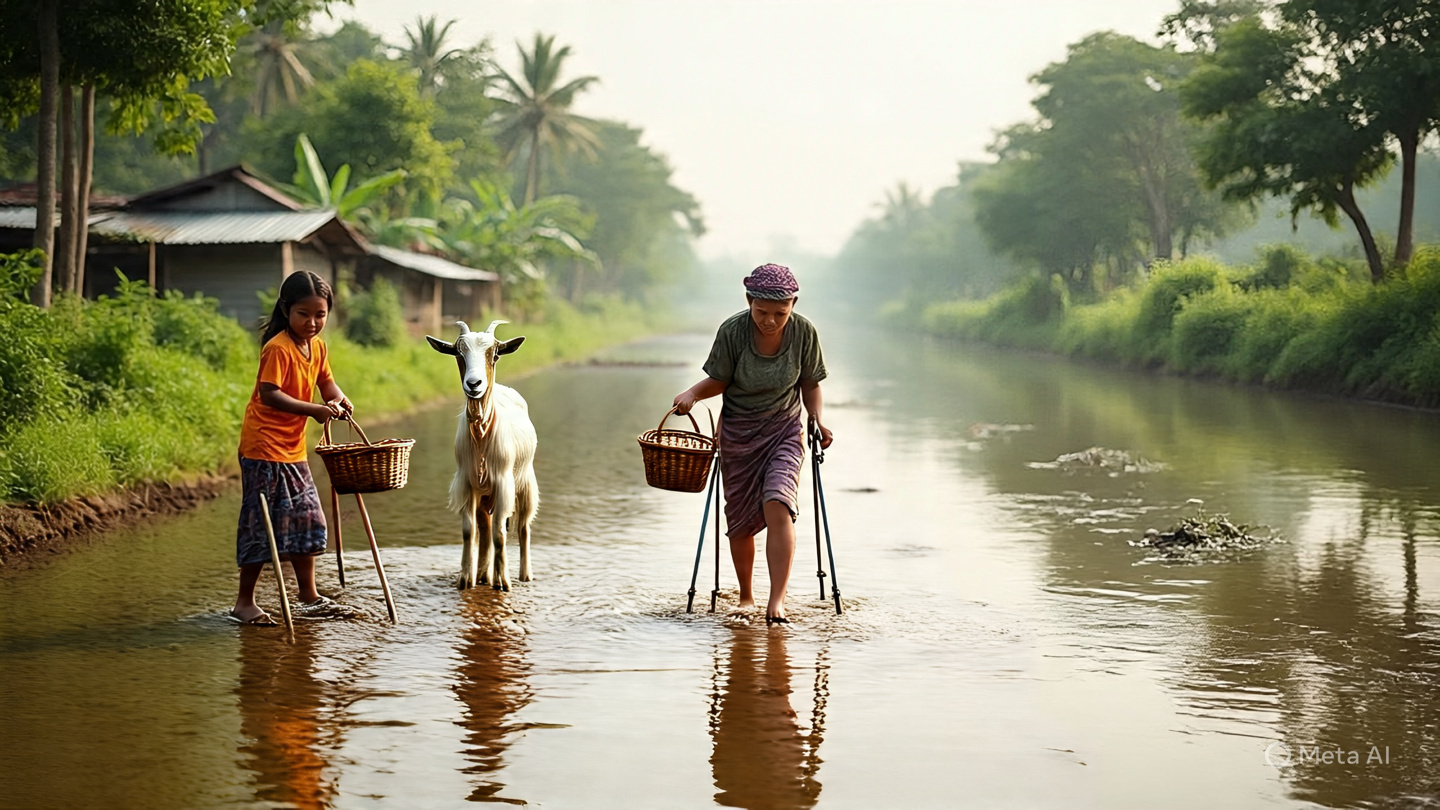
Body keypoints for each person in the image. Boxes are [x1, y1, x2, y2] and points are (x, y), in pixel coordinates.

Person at [673, 263, 832, 625]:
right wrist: (693, 394)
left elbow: (810, 383)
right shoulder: (733, 331)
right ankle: (746, 596)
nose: (770, 321)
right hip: (739, 432)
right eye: (761, 312)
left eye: (780, 313)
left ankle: (777, 600)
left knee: (778, 501)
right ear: (749, 302)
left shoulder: (804, 333)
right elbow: (719, 379)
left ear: (793, 304)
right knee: (741, 518)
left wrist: (817, 419)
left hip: (785, 430)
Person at [231, 270, 352, 626]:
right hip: (263, 448)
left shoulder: (317, 348)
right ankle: (244, 602)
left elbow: (327, 382)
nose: (313, 322)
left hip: (293, 449)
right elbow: (270, 394)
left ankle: (308, 594)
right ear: (286, 310)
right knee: (261, 524)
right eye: (304, 314)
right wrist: (315, 410)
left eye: (320, 314)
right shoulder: (278, 348)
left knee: (308, 519)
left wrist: (340, 401)